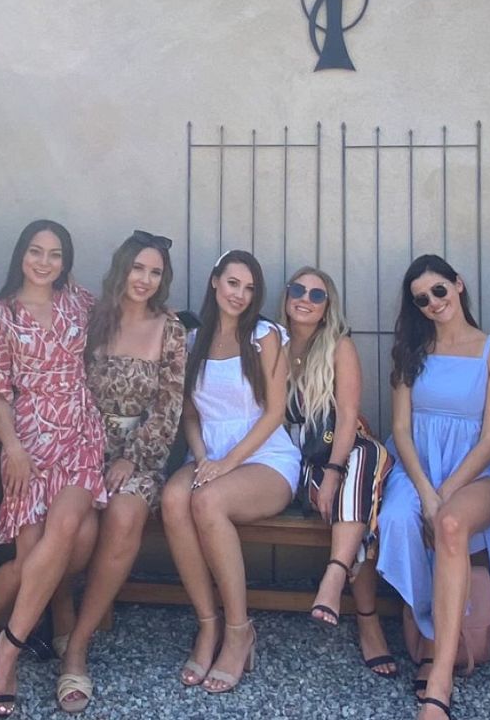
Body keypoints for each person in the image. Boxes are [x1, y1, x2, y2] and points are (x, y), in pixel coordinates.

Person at [373, 255, 490, 720]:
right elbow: (400, 429)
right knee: (397, 519)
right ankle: (432, 629)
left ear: (458, 285)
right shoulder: (411, 352)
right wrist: (426, 490)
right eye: (422, 299)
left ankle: (438, 664)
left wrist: (449, 490)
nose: (433, 302)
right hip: (418, 467)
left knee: (450, 523)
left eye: (439, 290)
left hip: (474, 469)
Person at [0, 221, 105, 717]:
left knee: (69, 525)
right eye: (36, 251)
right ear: (21, 255)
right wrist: (12, 448)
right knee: (29, 560)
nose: (45, 262)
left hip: (79, 431)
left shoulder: (79, 301)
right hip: (28, 437)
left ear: (65, 262)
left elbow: (130, 314)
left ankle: (8, 649)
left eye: (55, 254)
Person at [157, 250, 304, 695]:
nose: (240, 294)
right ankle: (208, 624)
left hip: (264, 457)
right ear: (215, 282)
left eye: (249, 287)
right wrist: (203, 456)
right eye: (233, 283)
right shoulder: (191, 340)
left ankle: (240, 631)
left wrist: (226, 464)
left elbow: (275, 412)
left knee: (207, 500)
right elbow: (190, 415)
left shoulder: (265, 336)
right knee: (172, 499)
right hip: (211, 453)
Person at [56, 231, 187, 713]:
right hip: (80, 445)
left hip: (139, 452)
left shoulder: (169, 329)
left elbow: (169, 406)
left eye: (155, 272)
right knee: (76, 525)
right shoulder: (90, 319)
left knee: (126, 513)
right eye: (138, 269)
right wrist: (86, 448)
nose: (145, 280)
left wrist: (134, 455)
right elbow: (64, 384)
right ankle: (59, 607)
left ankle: (77, 646)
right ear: (121, 269)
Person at [281, 266, 396, 676]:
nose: (306, 299)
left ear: (328, 307)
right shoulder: (271, 343)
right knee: (359, 500)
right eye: (299, 290)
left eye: (317, 295)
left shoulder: (338, 347)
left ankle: (333, 577)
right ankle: (368, 620)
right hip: (297, 465)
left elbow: (347, 417)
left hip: (340, 455)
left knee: (362, 459)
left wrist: (332, 472)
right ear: (286, 295)